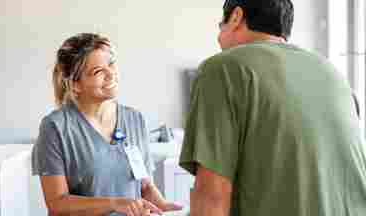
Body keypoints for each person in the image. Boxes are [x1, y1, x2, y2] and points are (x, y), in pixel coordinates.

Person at [179, 0, 366, 216]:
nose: (219, 36)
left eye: (220, 24)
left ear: (236, 17)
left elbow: (211, 201)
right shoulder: (331, 73)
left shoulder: (222, 68)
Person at [32, 33, 182, 216]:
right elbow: (57, 203)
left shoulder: (135, 119)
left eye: (111, 64)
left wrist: (162, 206)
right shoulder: (55, 128)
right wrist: (114, 203)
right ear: (75, 84)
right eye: (98, 71)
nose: (111, 74)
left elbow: (144, 185)